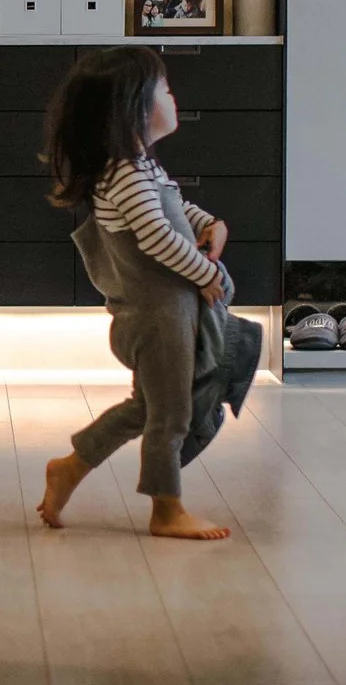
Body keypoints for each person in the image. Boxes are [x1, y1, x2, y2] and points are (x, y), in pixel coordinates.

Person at [33, 45, 235, 541]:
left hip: (168, 312)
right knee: (171, 414)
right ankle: (166, 509)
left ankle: (69, 467)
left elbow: (174, 210)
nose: (173, 95)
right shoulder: (125, 172)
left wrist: (211, 224)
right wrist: (204, 274)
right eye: (164, 88)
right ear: (135, 108)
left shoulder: (142, 167)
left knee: (148, 407)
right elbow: (156, 236)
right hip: (157, 317)